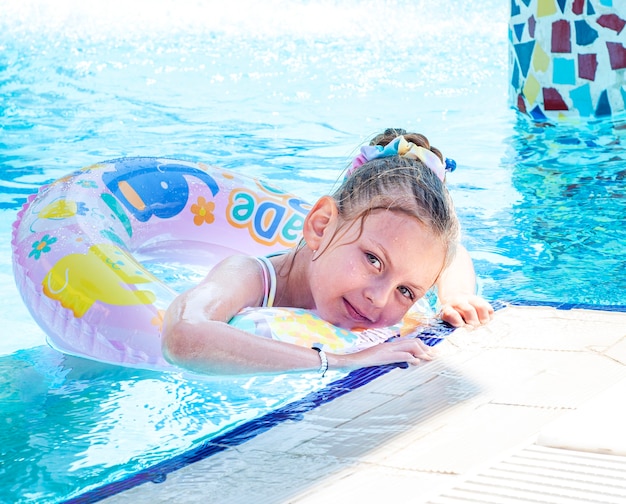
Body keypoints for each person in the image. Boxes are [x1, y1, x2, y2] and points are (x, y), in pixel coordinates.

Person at [162, 129, 493, 376]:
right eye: (374, 260)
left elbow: (454, 255)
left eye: (405, 291)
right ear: (321, 227)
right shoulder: (251, 277)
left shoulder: (399, 275)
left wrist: (456, 296)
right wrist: (339, 362)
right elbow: (183, 335)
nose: (379, 299)